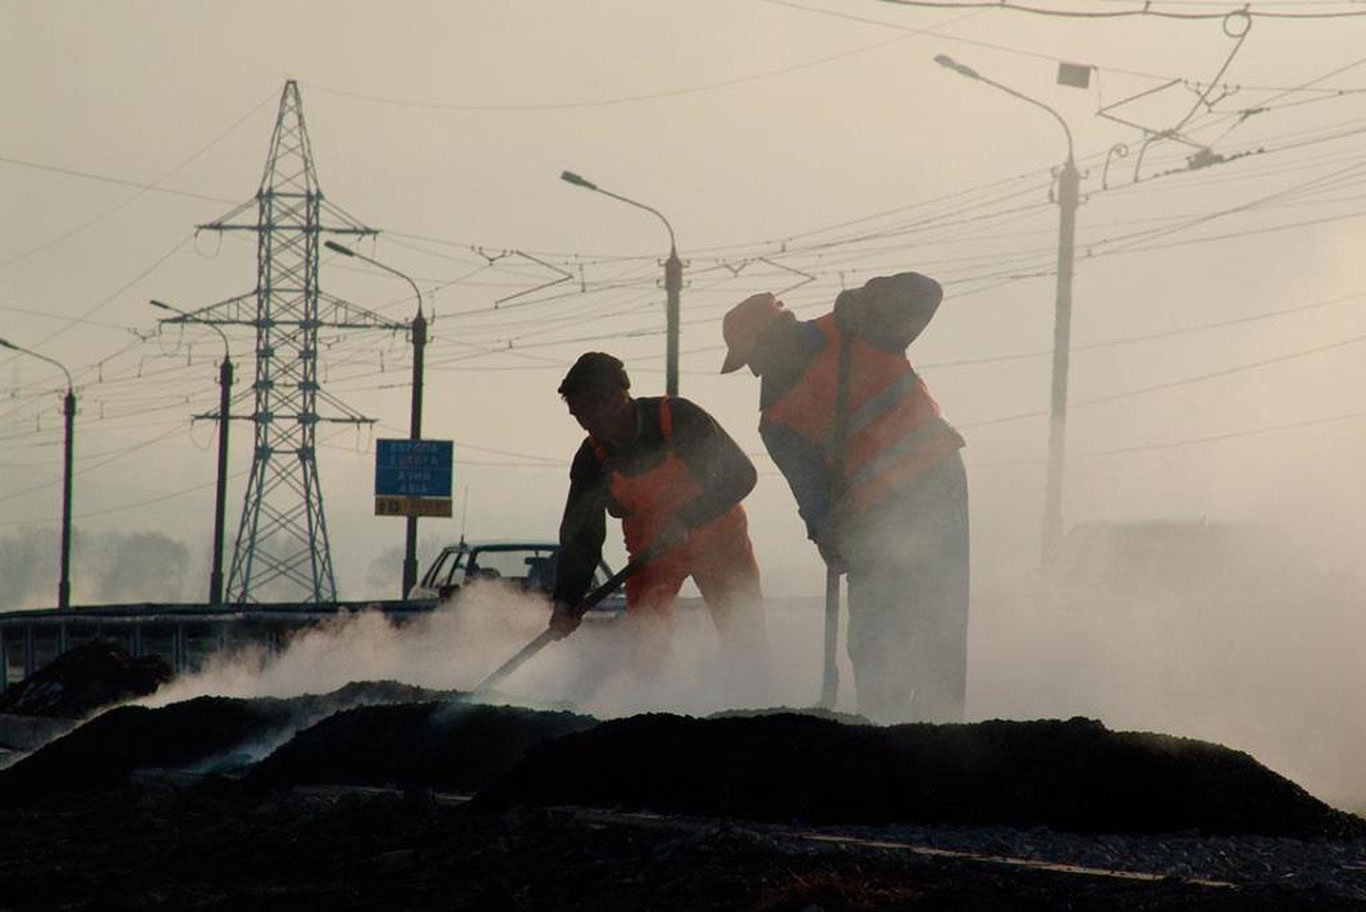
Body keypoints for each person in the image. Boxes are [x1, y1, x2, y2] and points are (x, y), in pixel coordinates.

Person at [719, 273, 969, 723]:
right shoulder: (776, 421)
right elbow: (814, 500)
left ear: (778, 335)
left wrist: (872, 295)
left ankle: (941, 729)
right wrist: (832, 538)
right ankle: (882, 723)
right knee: (872, 628)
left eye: (754, 358)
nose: (755, 371)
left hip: (932, 483)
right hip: (871, 516)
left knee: (938, 610)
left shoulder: (857, 324)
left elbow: (927, 291)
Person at [549, 352, 767, 677]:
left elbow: (741, 475)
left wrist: (688, 519)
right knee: (647, 652)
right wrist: (567, 601)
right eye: (577, 416)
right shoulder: (592, 461)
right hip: (652, 560)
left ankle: (757, 712)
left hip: (722, 547)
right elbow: (582, 537)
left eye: (587, 414)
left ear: (615, 399)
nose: (585, 425)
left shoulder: (677, 420)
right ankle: (653, 713)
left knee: (745, 639)